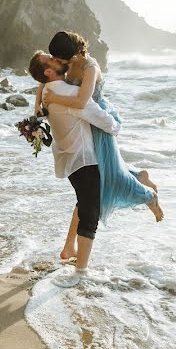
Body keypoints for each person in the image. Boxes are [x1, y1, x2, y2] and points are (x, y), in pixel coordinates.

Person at [38, 31, 162, 233]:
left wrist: (53, 99)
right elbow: (44, 81)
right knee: (103, 174)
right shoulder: (67, 62)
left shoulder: (90, 68)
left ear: (71, 55)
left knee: (111, 176)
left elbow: (81, 102)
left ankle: (149, 197)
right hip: (83, 122)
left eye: (58, 58)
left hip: (98, 122)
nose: (55, 61)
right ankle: (140, 175)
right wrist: (38, 106)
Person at [28, 51, 123, 287]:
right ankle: (80, 272)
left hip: (68, 159)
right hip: (85, 159)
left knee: (84, 202)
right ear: (48, 72)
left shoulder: (49, 91)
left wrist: (39, 92)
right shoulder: (70, 93)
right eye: (50, 59)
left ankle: (69, 249)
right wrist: (116, 124)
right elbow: (104, 122)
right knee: (90, 213)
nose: (56, 57)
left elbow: (42, 96)